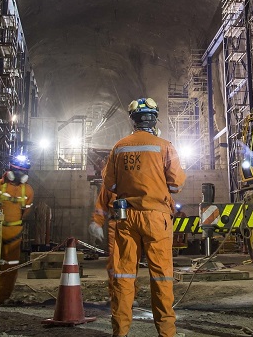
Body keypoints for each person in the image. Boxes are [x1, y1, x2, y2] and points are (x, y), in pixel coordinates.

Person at [102, 97, 186, 337]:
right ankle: (166, 333)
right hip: (156, 218)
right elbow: (177, 183)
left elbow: (111, 184)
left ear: (133, 120)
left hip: (125, 218)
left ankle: (120, 333)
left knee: (123, 276)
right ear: (154, 118)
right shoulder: (165, 146)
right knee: (162, 277)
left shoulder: (119, 147)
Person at [0, 153, 35, 303]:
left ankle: (3, 297)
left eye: (22, 172)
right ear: (10, 169)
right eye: (16, 170)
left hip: (13, 236)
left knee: (10, 266)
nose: (18, 175)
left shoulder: (28, 191)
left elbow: (25, 213)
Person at [89, 180, 117, 295]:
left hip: (143, 221)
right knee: (117, 262)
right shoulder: (114, 176)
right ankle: (119, 297)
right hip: (119, 223)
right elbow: (103, 202)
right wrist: (97, 222)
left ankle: (123, 298)